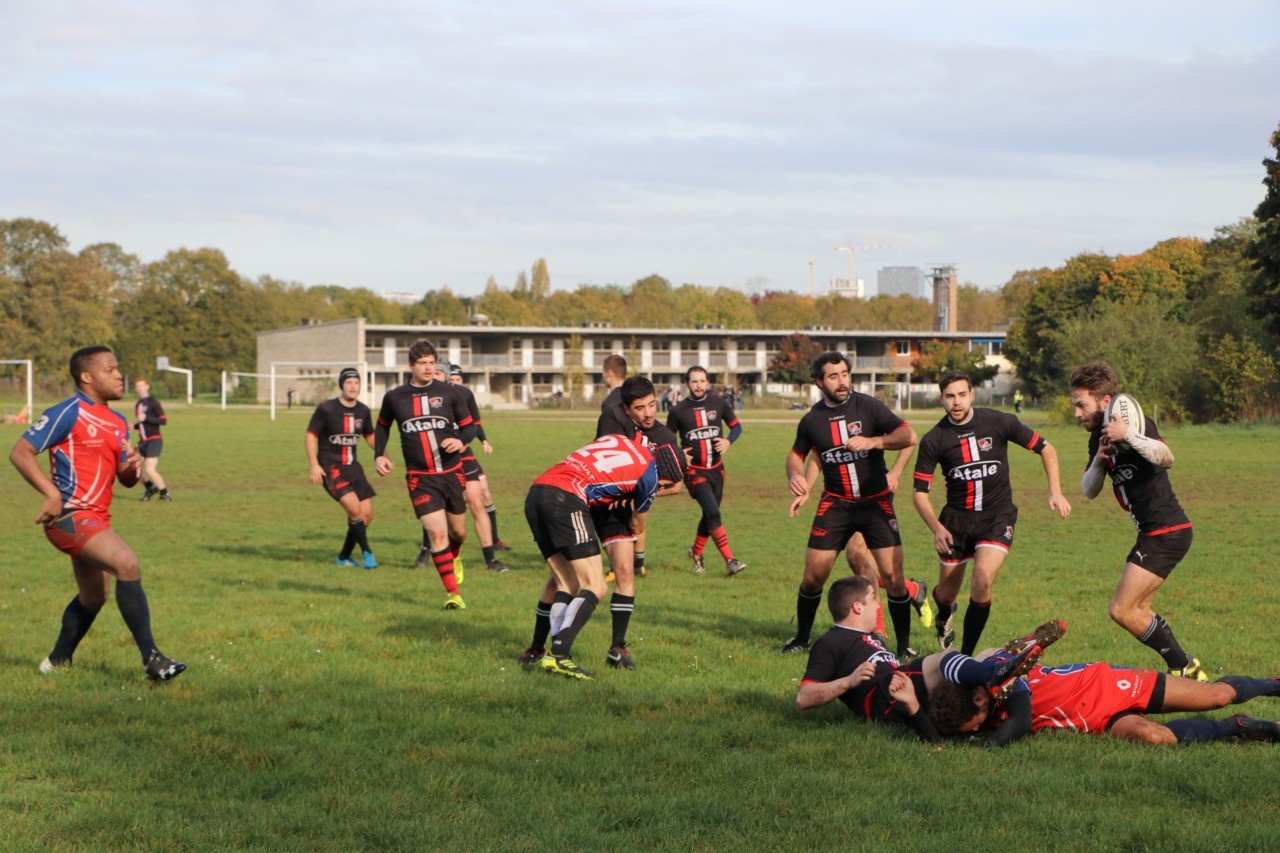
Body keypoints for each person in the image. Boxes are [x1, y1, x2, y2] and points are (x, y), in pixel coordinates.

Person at [8, 346, 186, 680]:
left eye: (118, 369)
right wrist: (50, 493)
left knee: (93, 597)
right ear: (86, 377)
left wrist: (133, 466)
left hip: (96, 517)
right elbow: (20, 452)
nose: (119, 375)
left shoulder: (118, 422)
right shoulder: (68, 411)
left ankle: (57, 661)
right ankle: (152, 659)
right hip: (69, 516)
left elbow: (126, 479)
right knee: (127, 564)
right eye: (110, 369)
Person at [519, 376, 684, 671]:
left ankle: (616, 648)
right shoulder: (612, 416)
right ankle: (543, 648)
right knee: (566, 580)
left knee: (623, 570)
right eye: (640, 408)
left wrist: (633, 498)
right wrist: (637, 495)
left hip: (607, 503)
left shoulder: (663, 436)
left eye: (652, 405)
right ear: (627, 408)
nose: (648, 413)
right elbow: (610, 461)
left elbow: (675, 485)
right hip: (584, 498)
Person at [912, 370, 1072, 655]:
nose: (957, 402)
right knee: (946, 594)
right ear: (941, 399)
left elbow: (1046, 448)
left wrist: (1055, 491)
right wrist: (937, 528)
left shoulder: (999, 421)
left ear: (972, 394)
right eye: (950, 396)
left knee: (981, 581)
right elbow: (919, 494)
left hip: (997, 517)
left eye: (962, 394)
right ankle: (944, 611)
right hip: (955, 522)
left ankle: (965, 656)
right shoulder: (934, 439)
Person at [1068, 361, 1206, 680]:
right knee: (1139, 611)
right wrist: (1099, 461)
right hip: (1153, 532)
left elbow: (1167, 458)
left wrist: (1128, 434)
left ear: (1105, 401)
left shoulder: (1137, 422)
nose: (1076, 413)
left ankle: (1183, 666)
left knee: (1122, 609)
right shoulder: (1097, 437)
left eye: (1081, 404)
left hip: (1166, 531)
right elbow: (1088, 491)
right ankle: (1185, 669)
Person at [794, 576, 1053, 741]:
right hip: (883, 695)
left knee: (986, 655)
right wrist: (849, 682)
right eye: (874, 599)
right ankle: (998, 675)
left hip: (898, 685)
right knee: (945, 659)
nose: (878, 606)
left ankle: (1007, 673)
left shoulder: (867, 637)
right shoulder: (832, 641)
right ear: (857, 607)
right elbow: (804, 698)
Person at [782, 351, 919, 656]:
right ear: (819, 382)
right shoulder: (812, 420)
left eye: (845, 374)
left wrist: (875, 442)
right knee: (813, 576)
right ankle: (802, 639)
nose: (842, 381)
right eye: (833, 376)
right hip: (836, 504)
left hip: (875, 503)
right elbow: (797, 455)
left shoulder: (868, 406)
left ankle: (904, 648)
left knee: (893, 578)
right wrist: (795, 476)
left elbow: (908, 435)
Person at [524, 432, 663, 680]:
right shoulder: (648, 469)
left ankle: (555, 654)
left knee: (566, 582)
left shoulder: (618, 439)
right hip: (566, 498)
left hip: (537, 491)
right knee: (596, 586)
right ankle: (559, 655)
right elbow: (639, 521)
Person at [929, 657, 1280, 746]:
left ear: (978, 698)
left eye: (973, 725)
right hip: (1098, 722)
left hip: (1111, 686)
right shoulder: (973, 708)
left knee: (1218, 695)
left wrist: (984, 744)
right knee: (1154, 737)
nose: (974, 730)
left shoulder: (1004, 676)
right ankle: (1239, 726)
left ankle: (1272, 685)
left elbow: (1019, 723)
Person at [374, 339, 477, 610]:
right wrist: (379, 454)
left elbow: (470, 427)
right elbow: (382, 426)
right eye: (423, 363)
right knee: (436, 534)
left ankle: (455, 554)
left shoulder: (450, 393)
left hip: (452, 472)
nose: (429, 368)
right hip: (420, 478)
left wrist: (460, 441)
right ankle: (453, 594)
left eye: (432, 363)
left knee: (459, 532)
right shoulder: (395, 397)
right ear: (411, 365)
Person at [667, 365, 746, 576]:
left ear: (708, 382)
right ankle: (730, 560)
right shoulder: (677, 410)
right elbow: (667, 440)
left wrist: (728, 441)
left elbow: (736, 426)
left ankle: (696, 553)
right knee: (713, 512)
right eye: (694, 381)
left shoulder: (719, 403)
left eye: (702, 381)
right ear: (687, 384)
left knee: (709, 514)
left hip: (717, 470)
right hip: (694, 471)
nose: (699, 385)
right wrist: (678, 454)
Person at [306, 367, 378, 569]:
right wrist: (314, 465)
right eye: (349, 383)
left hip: (354, 468)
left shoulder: (363, 411)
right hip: (331, 467)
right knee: (354, 510)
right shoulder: (326, 409)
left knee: (366, 515)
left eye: (356, 383)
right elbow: (311, 435)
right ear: (342, 385)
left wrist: (382, 454)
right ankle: (367, 553)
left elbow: (369, 436)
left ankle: (343, 557)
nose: (353, 386)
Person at [448, 363, 510, 571]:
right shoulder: (432, 398)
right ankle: (430, 548)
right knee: (444, 507)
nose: (453, 382)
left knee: (479, 499)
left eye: (457, 379)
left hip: (464, 456)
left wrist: (479, 441)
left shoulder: (465, 395)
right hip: (440, 461)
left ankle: (490, 558)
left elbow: (473, 425)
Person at [133, 377, 170, 502]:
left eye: (142, 386)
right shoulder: (138, 404)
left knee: (149, 468)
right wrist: (134, 426)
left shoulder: (153, 402)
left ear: (147, 387)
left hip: (154, 440)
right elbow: (142, 424)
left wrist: (146, 418)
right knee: (134, 468)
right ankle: (150, 488)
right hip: (142, 442)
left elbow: (163, 420)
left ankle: (165, 493)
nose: (140, 388)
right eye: (137, 386)